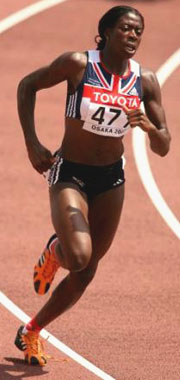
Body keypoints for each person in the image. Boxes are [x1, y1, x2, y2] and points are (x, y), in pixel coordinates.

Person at [14, 5, 171, 366]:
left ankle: (32, 331)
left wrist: (147, 126)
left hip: (111, 177)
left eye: (138, 31)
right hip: (69, 172)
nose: (132, 36)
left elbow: (163, 146)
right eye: (125, 29)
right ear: (106, 31)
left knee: (86, 272)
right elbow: (27, 85)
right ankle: (56, 251)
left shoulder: (144, 80)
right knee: (79, 255)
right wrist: (32, 142)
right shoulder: (78, 65)